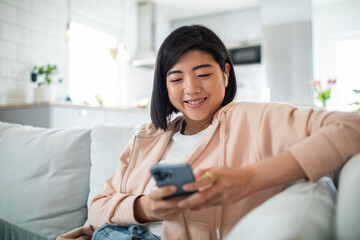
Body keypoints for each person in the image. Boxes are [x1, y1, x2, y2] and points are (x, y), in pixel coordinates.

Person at [58, 25, 360, 240]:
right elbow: (97, 209)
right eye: (176, 79)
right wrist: (146, 206)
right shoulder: (146, 136)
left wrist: (250, 179)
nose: (191, 89)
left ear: (226, 73)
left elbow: (352, 126)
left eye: (203, 74)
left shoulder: (256, 118)